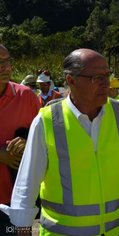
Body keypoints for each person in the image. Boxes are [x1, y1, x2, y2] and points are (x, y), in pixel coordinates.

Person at [0, 48, 119, 235]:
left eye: (106, 76)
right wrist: (23, 225)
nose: (105, 84)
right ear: (71, 81)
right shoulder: (48, 122)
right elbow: (27, 181)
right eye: (96, 78)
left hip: (116, 230)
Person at [0, 44, 41, 235]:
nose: (5, 67)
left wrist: (28, 142)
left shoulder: (26, 96)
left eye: (7, 61)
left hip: (15, 203)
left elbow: (45, 139)